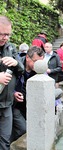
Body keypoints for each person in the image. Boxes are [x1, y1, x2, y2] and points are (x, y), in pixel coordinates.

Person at [0, 15, 24, 150]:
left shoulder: (11, 48)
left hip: (7, 104)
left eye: (8, 34)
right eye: (2, 34)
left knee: (5, 141)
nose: (5, 38)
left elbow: (21, 69)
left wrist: (16, 63)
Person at [12, 46, 45, 142]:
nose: (38, 65)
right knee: (23, 129)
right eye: (35, 61)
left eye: (40, 62)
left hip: (29, 106)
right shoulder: (16, 66)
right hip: (14, 106)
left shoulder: (39, 70)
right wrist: (14, 93)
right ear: (27, 57)